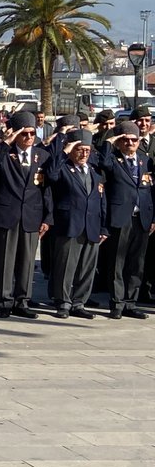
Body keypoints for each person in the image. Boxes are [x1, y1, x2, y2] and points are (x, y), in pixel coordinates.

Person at [0, 112, 51, 318]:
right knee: (5, 259)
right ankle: (3, 300)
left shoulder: (42, 156)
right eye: (24, 134)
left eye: (32, 133)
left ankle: (22, 300)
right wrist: (6, 142)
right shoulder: (5, 153)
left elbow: (46, 189)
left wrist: (48, 218)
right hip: (6, 213)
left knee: (27, 260)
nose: (29, 138)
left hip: (31, 215)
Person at [94, 121, 155, 320]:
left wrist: (152, 217)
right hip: (121, 218)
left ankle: (130, 302)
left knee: (136, 264)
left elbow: (150, 190)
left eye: (134, 140)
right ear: (119, 141)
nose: (130, 143)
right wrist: (110, 142)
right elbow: (102, 162)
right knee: (117, 264)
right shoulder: (112, 159)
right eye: (125, 140)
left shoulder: (145, 160)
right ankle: (117, 304)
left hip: (142, 218)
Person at [43, 130, 107, 319]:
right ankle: (63, 302)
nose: (84, 154)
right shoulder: (62, 168)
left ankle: (79, 302)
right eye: (80, 149)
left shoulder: (94, 172)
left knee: (87, 268)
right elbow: (51, 175)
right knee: (66, 266)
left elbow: (101, 200)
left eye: (87, 150)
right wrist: (65, 151)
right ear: (71, 149)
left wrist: (103, 227)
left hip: (92, 226)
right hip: (69, 225)